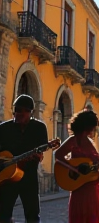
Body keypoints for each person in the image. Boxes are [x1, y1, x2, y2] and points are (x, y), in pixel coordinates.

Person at [54, 109, 99, 223]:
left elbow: (94, 162)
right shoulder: (74, 140)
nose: (94, 129)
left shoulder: (90, 141)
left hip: (93, 190)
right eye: (92, 126)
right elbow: (58, 155)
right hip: (80, 189)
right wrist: (74, 168)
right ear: (86, 126)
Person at [0, 94, 48, 223]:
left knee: (32, 214)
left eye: (23, 111)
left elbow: (42, 149)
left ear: (30, 112)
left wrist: (38, 156)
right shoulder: (4, 128)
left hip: (29, 176)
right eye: (16, 110)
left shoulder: (39, 128)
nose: (18, 114)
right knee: (3, 213)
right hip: (7, 177)